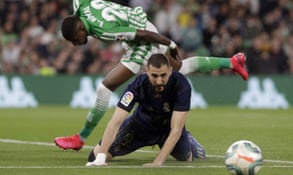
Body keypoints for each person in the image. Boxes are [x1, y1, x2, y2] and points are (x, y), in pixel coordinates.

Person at [54, 0, 248, 150]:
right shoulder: (81, 4)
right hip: (141, 25)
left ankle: (81, 138)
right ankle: (231, 62)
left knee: (105, 87)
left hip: (143, 37)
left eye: (75, 39)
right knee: (179, 69)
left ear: (81, 28)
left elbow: (143, 36)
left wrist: (169, 43)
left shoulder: (104, 31)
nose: (75, 43)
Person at [86, 54, 205, 167]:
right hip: (140, 127)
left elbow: (176, 129)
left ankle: (189, 140)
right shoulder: (137, 86)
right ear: (146, 71)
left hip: (168, 129)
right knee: (94, 156)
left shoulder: (181, 85)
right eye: (154, 76)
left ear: (170, 70)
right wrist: (100, 158)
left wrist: (158, 162)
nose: (159, 81)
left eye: (163, 75)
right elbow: (115, 122)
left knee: (187, 158)